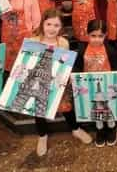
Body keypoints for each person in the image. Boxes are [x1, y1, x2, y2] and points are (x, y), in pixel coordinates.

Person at [31, 8, 92, 156]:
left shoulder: (63, 42)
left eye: (56, 25)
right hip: (39, 81)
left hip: (58, 81)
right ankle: (42, 136)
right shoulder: (33, 41)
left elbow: (65, 65)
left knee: (66, 106)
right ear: (42, 24)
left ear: (61, 27)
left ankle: (76, 129)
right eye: (49, 24)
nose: (52, 29)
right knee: (39, 110)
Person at [74, 20, 117, 147]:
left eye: (100, 36)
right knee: (96, 109)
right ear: (87, 34)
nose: (96, 39)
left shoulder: (110, 50)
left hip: (107, 86)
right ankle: (99, 129)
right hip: (89, 87)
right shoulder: (82, 50)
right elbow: (77, 68)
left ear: (105, 36)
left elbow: (116, 68)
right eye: (93, 36)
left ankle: (111, 127)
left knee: (108, 108)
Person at [1, 0, 40, 75]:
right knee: (10, 70)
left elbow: (37, 19)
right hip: (8, 38)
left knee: (25, 67)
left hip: (26, 37)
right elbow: (2, 17)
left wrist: (34, 36)